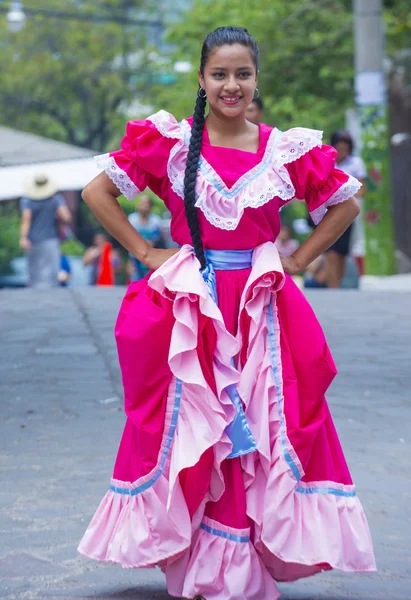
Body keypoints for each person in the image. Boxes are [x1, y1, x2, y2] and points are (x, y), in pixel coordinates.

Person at [78, 27, 375, 600]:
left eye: (242, 74)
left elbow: (345, 203)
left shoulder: (284, 149)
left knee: (262, 426)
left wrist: (298, 259)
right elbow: (97, 192)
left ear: (256, 80)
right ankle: (197, 555)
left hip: (259, 309)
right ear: (202, 79)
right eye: (220, 74)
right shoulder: (171, 142)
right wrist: (143, 252)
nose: (231, 84)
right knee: (196, 426)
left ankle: (242, 557)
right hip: (194, 307)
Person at [325, 130, 367, 286]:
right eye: (339, 147)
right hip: (326, 212)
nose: (342, 151)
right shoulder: (327, 161)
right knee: (330, 251)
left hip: (346, 214)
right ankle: (332, 288)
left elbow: (362, 190)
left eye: (345, 148)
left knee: (341, 252)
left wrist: (343, 196)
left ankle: (337, 285)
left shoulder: (356, 163)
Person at [19, 173, 71, 289]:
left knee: (35, 273)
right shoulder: (55, 198)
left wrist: (23, 237)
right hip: (51, 239)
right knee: (51, 273)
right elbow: (66, 217)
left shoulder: (27, 200)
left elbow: (26, 221)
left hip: (33, 241)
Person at [127, 193, 165, 280]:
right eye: (141, 202)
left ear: (150, 206)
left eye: (145, 203)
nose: (143, 205)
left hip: (152, 258)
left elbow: (159, 239)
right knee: (136, 282)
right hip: (136, 258)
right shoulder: (132, 219)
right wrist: (130, 263)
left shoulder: (156, 221)